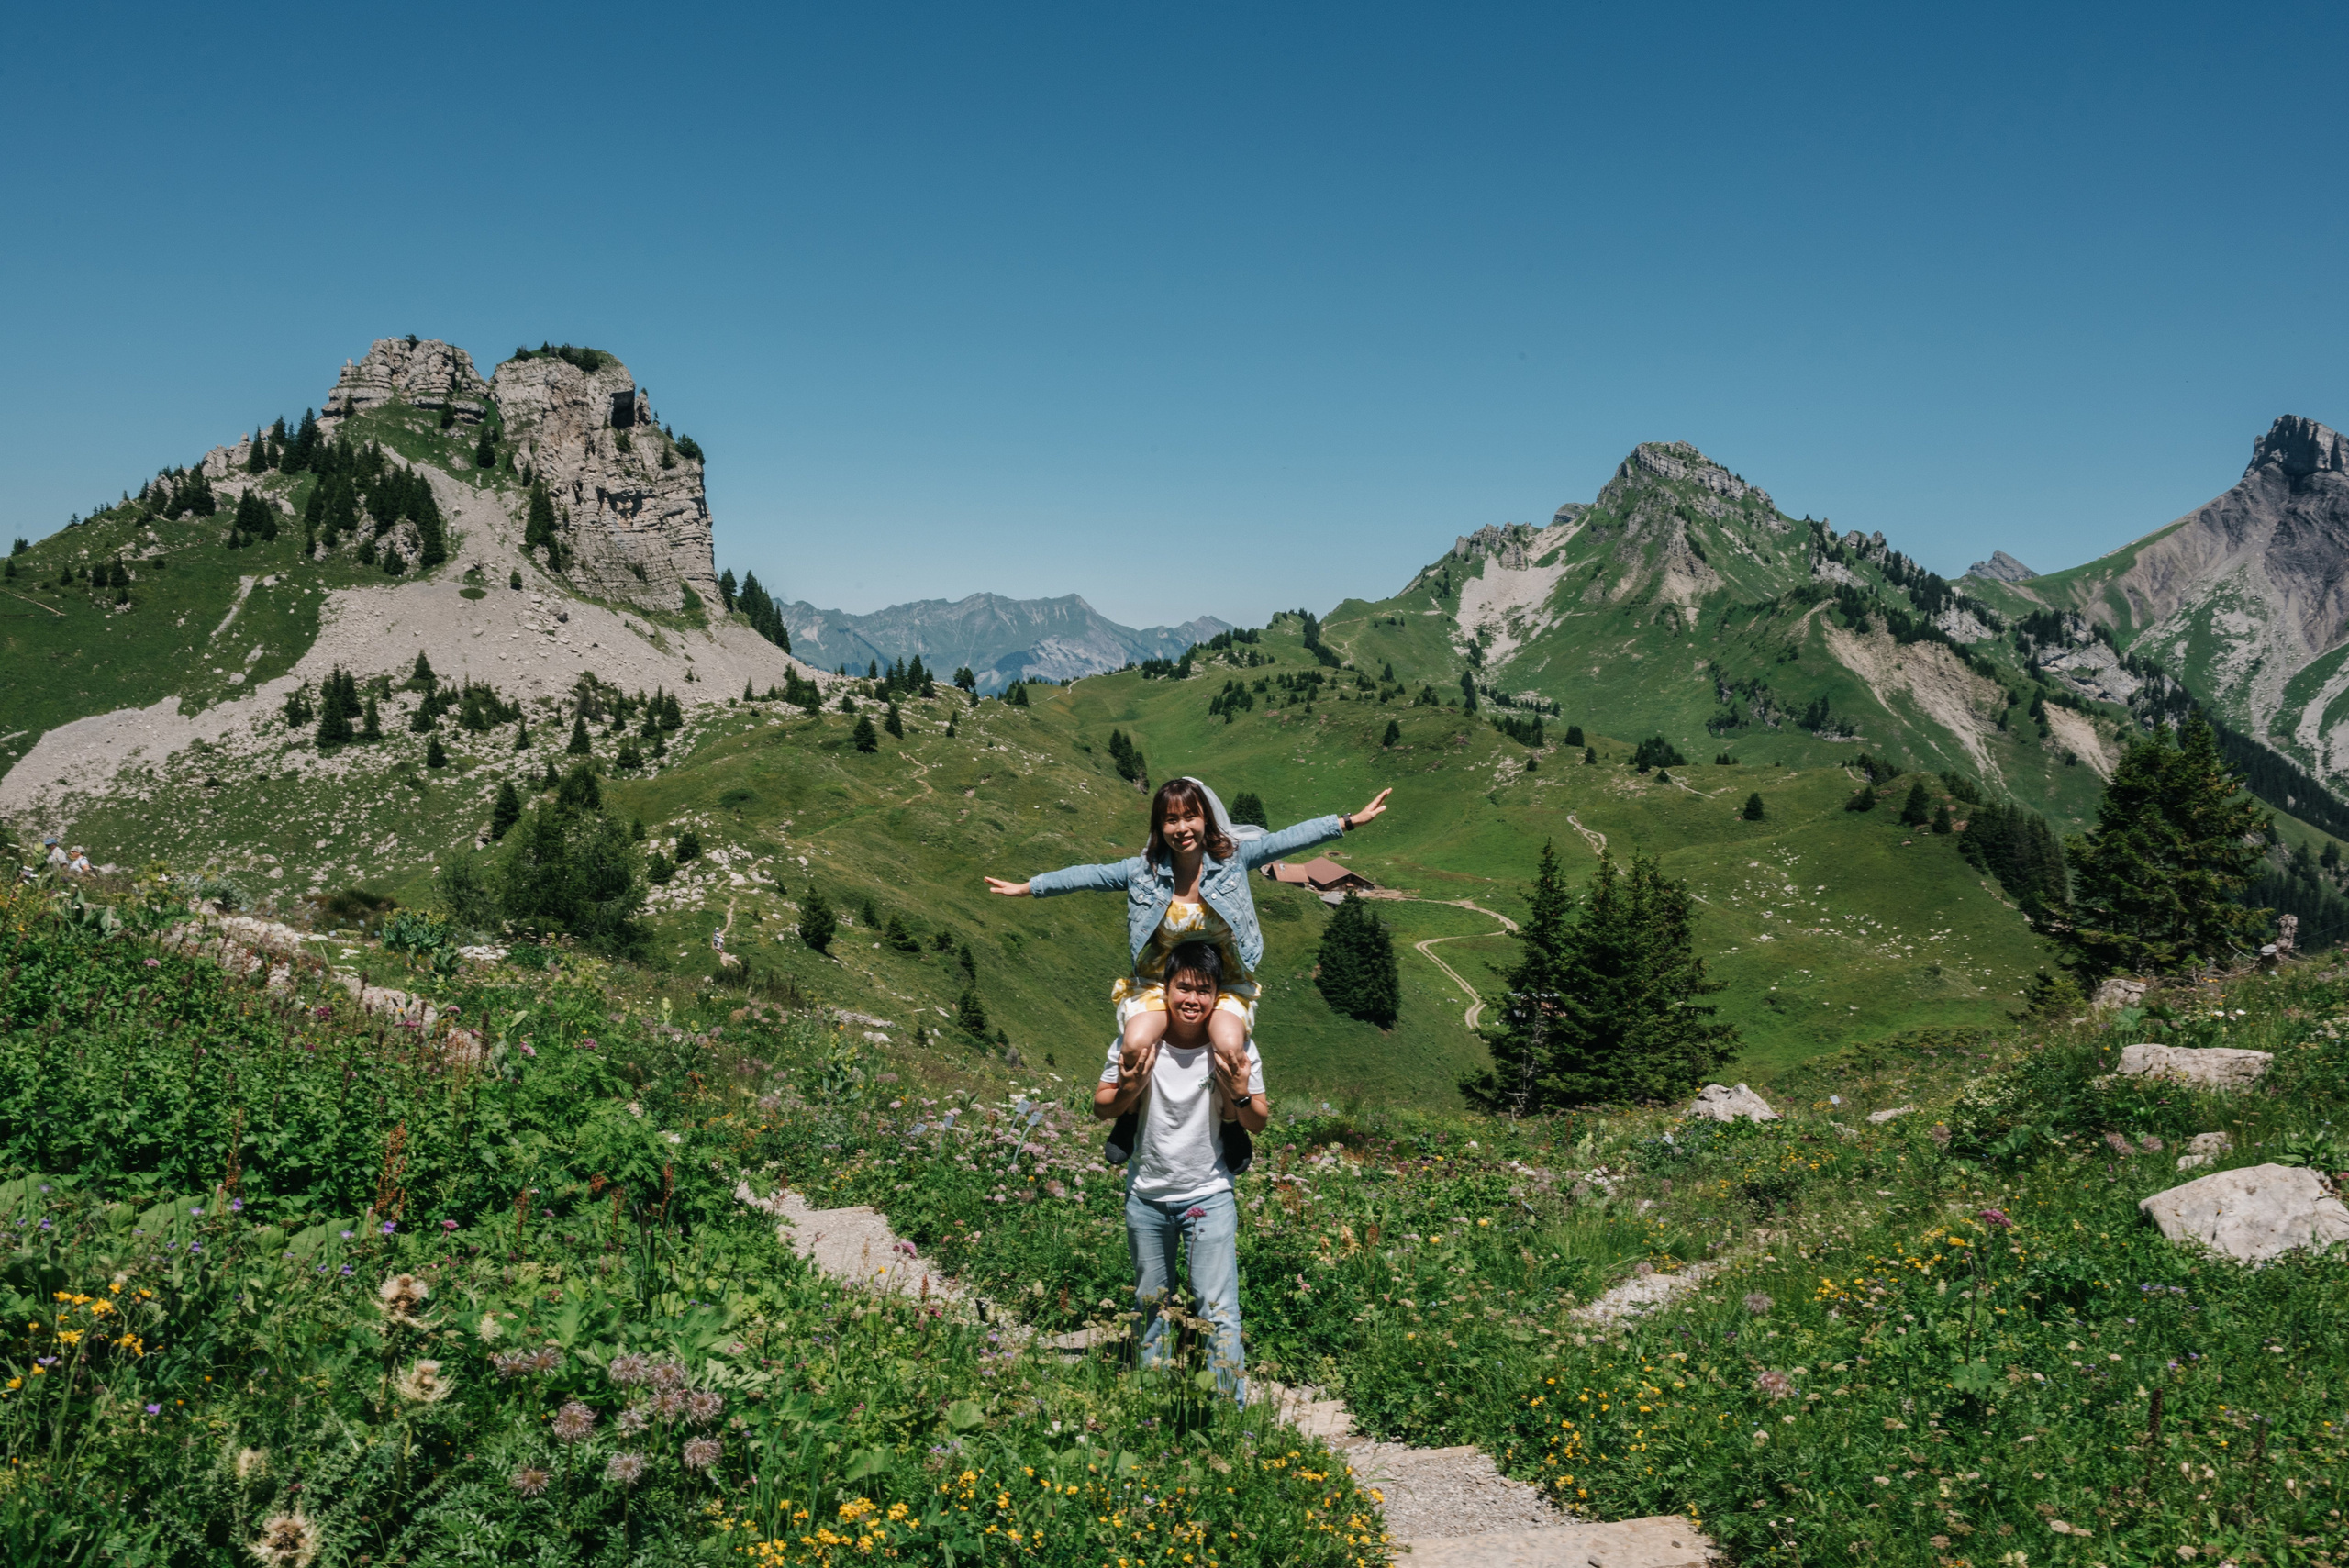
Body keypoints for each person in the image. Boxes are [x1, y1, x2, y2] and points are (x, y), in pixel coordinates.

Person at [985, 774, 1389, 1084]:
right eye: (1171, 819)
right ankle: (1129, 1110)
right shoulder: (1142, 872)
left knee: (1230, 1047)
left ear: (1205, 819)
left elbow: (1287, 840)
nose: (1182, 828)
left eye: (1190, 817)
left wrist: (1349, 821)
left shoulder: (1233, 858)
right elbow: (1088, 875)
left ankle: (1234, 1114)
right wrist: (1030, 887)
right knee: (1135, 1045)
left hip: (1227, 980)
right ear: (1159, 826)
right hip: (1160, 983)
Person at [1093, 940, 1267, 1401]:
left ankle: (1229, 1411)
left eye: (1203, 990)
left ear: (1216, 996)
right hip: (1146, 1195)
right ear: (1165, 989)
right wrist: (1129, 1088)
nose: (1192, 999)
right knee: (1150, 1305)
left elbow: (1259, 1120)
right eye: (1183, 987)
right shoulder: (1138, 1041)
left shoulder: (1234, 1048)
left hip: (1209, 1194)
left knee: (1218, 1308)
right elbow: (1100, 1107)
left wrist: (1241, 1092)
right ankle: (1151, 1402)